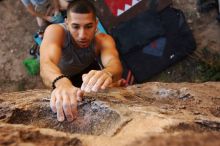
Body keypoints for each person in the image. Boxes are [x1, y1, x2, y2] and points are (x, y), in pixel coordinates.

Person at [40, 0, 123, 122]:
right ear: (67, 23)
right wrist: (62, 84)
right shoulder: (55, 31)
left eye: (88, 26)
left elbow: (114, 64)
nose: (82, 35)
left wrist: (108, 74)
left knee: (111, 91)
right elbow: (46, 64)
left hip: (89, 72)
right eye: (75, 26)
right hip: (61, 77)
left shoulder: (102, 39)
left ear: (96, 24)